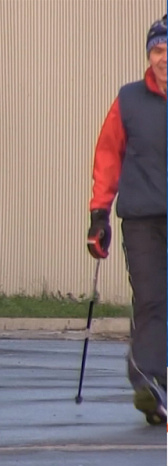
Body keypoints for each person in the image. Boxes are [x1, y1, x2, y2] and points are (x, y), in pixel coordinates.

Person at [87, 14, 167, 424]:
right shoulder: (129, 100)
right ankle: (149, 383)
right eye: (157, 50)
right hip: (142, 217)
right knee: (152, 298)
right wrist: (98, 214)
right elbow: (108, 156)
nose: (164, 59)